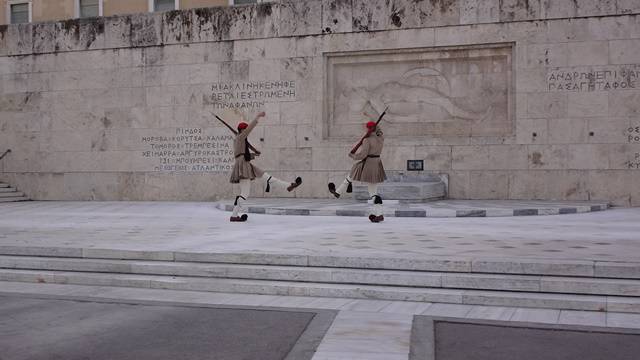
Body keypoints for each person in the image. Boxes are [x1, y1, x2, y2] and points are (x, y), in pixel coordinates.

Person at [230, 111, 302, 222]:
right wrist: (257, 117)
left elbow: (243, 155)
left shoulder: (241, 140)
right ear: (241, 130)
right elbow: (240, 154)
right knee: (245, 193)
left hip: (246, 164)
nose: (246, 132)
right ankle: (234, 215)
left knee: (267, 177)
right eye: (245, 130)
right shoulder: (240, 138)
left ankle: (289, 186)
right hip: (243, 167)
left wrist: (254, 154)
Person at [328, 121, 386, 223]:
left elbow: (363, 155)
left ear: (368, 129)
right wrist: (374, 130)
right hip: (376, 163)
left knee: (355, 174)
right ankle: (379, 213)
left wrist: (353, 155)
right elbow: (379, 132)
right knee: (373, 192)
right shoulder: (380, 138)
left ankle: (338, 192)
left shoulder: (367, 140)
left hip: (368, 164)